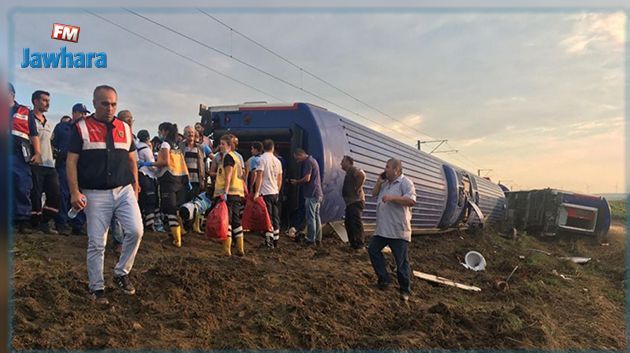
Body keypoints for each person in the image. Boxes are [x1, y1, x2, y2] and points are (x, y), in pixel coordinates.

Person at [67, 85, 143, 304]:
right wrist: (74, 192)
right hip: (95, 193)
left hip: (124, 190)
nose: (110, 108)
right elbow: (71, 161)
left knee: (136, 231)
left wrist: (135, 188)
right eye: (105, 103)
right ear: (94, 103)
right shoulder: (80, 128)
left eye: (113, 104)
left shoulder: (125, 129)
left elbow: (132, 160)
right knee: (97, 242)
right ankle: (97, 288)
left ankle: (121, 272)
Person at [368, 158, 416, 302]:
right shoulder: (385, 183)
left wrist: (393, 198)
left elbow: (411, 201)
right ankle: (384, 279)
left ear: (397, 170)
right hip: (382, 229)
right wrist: (378, 181)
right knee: (373, 250)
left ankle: (404, 290)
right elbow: (373, 194)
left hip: (398, 230)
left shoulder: (405, 183)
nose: (385, 169)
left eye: (388, 167)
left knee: (401, 262)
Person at [8, 83, 41, 233]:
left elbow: (33, 134)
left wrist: (38, 152)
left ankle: (22, 220)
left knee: (22, 185)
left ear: (12, 94)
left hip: (20, 155)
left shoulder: (25, 111)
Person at [52, 104, 89, 235]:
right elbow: (53, 144)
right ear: (74, 113)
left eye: (85, 114)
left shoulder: (85, 129)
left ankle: (77, 224)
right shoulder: (62, 128)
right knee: (63, 194)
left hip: (81, 166)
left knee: (80, 194)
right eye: (82, 113)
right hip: (63, 164)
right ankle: (61, 222)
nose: (84, 116)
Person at [29, 90, 61, 234]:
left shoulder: (49, 123)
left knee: (55, 193)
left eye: (48, 100)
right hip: (35, 164)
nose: (47, 103)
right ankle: (34, 225)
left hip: (49, 164)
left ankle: (46, 221)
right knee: (35, 194)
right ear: (35, 101)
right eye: (44, 100)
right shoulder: (28, 119)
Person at [152, 122, 190, 247]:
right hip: (179, 180)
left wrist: (148, 163)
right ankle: (180, 232)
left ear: (164, 131)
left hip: (168, 180)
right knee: (176, 208)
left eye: (159, 131)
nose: (159, 134)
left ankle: (176, 239)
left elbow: (164, 162)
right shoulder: (177, 146)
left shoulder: (165, 144)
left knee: (170, 210)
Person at [212, 134, 246, 256]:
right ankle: (240, 248)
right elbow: (241, 176)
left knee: (228, 221)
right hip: (237, 193)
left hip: (229, 193)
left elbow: (228, 175)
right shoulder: (237, 158)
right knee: (236, 220)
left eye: (223, 144)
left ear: (229, 146)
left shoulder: (228, 158)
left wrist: (224, 192)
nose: (220, 146)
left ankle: (227, 249)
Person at [253, 139, 283, 248]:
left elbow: (259, 176)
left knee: (267, 217)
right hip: (275, 192)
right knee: (275, 217)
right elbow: (280, 179)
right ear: (273, 148)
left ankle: (268, 242)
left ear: (263, 148)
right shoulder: (278, 161)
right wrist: (277, 191)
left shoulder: (262, 159)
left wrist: (256, 192)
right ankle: (276, 241)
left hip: (265, 192)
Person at [289, 149, 323, 246]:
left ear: (300, 155)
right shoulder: (313, 161)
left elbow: (307, 178)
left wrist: (297, 182)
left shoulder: (308, 162)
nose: (297, 161)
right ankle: (318, 239)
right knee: (317, 217)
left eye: (297, 159)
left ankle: (310, 239)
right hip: (318, 193)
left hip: (311, 194)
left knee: (310, 217)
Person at [341, 155, 366, 249]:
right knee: (348, 222)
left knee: (355, 222)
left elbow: (362, 175)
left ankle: (360, 244)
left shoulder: (353, 170)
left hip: (356, 201)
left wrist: (358, 188)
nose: (341, 163)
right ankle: (353, 243)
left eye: (343, 161)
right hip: (350, 203)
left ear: (348, 162)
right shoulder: (348, 172)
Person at [136, 129, 159, 231]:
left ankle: (141, 222)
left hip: (138, 176)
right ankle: (150, 224)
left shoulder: (136, 147)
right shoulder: (146, 149)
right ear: (147, 138)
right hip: (147, 176)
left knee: (141, 200)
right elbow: (152, 165)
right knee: (150, 200)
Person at [180, 126, 206, 198]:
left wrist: (203, 179)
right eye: (188, 132)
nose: (190, 134)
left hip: (197, 180)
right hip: (184, 180)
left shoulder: (200, 148)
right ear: (185, 135)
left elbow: (203, 164)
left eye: (192, 132)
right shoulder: (181, 147)